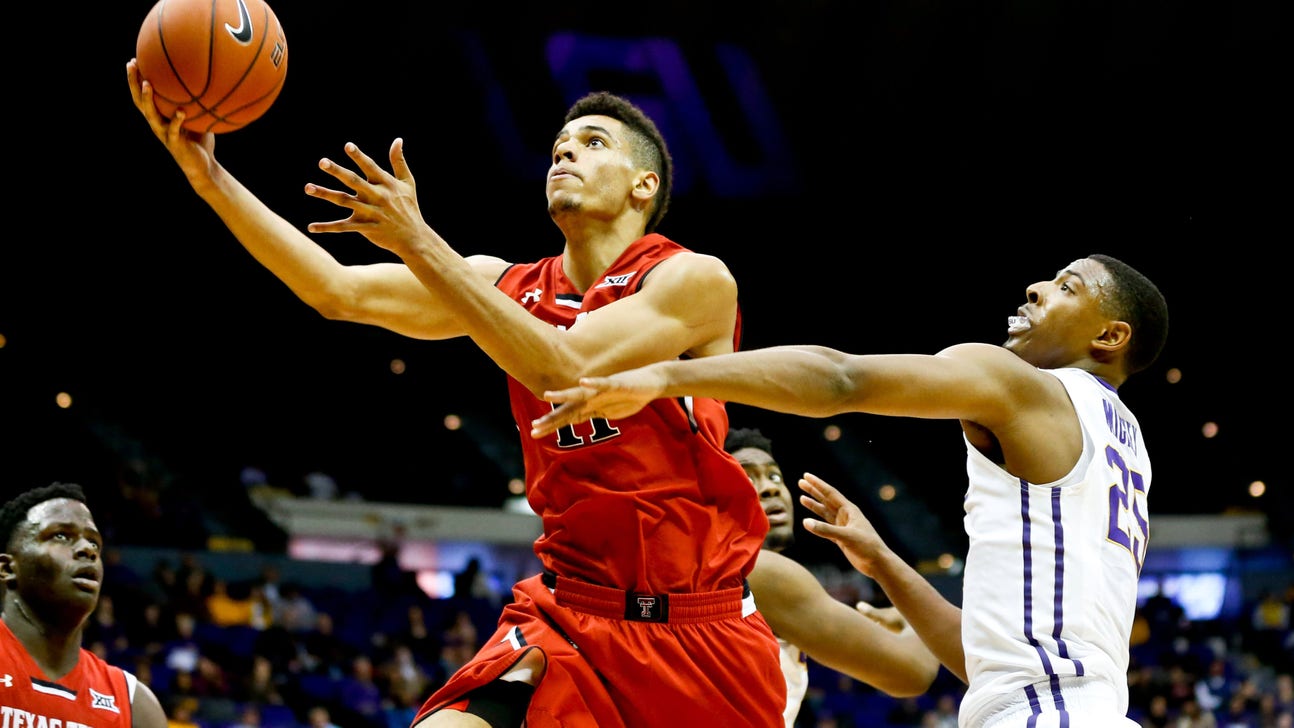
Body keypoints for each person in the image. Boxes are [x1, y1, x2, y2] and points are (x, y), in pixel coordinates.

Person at [127, 59, 784, 728]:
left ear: (644, 184)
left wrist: (420, 242)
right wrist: (207, 178)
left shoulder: (691, 281)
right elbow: (335, 291)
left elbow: (563, 368)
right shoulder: (508, 286)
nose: (566, 153)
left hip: (702, 634)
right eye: (560, 146)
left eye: (592, 143)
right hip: (569, 616)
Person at [532, 254, 1170, 727]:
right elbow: (987, 661)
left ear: (1109, 337)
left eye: (1066, 287)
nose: (1035, 286)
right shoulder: (1127, 446)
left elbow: (841, 379)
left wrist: (666, 375)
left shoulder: (1023, 386)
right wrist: (883, 562)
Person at [726, 426, 941, 726]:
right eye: (748, 477)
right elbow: (913, 672)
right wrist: (912, 622)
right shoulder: (759, 571)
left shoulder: (718, 568)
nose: (771, 488)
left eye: (774, 476)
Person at [0, 482, 170, 727]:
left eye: (94, 543)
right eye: (61, 536)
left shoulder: (135, 706)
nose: (87, 550)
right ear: (7, 568)